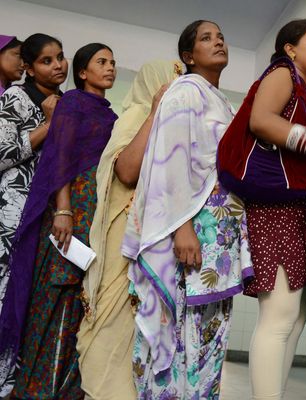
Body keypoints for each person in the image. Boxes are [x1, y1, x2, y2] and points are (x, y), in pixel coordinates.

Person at [121, 20, 253, 399]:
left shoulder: (219, 98)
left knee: (208, 336)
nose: (218, 42)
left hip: (217, 239)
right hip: (194, 231)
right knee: (183, 334)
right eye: (206, 38)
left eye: (221, 36)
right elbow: (169, 162)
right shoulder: (185, 92)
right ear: (188, 56)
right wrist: (182, 228)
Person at [238, 19, 306, 400]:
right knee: (279, 319)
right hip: (279, 210)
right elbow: (261, 120)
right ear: (290, 48)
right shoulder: (283, 74)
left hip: (301, 213)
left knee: (295, 320)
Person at [8, 43, 117, 400]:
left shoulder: (111, 115)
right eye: (102, 62)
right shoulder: (73, 104)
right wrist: (65, 209)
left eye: (113, 62)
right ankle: (38, 388)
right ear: (83, 72)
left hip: (95, 211)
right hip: (70, 212)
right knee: (57, 294)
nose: (110, 67)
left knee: (80, 300)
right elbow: (60, 158)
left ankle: (67, 388)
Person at [77, 59, 182, 400]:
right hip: (122, 239)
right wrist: (153, 114)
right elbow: (125, 171)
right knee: (109, 321)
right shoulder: (137, 116)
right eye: (171, 80)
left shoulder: (178, 127)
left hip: (154, 241)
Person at [0, 33, 67, 397]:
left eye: (60, 57)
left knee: (25, 295)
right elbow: (2, 153)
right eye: (46, 60)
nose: (57, 65)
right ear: (27, 66)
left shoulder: (65, 102)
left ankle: (12, 383)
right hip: (10, 217)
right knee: (4, 295)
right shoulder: (17, 97)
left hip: (43, 217)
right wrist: (48, 125)